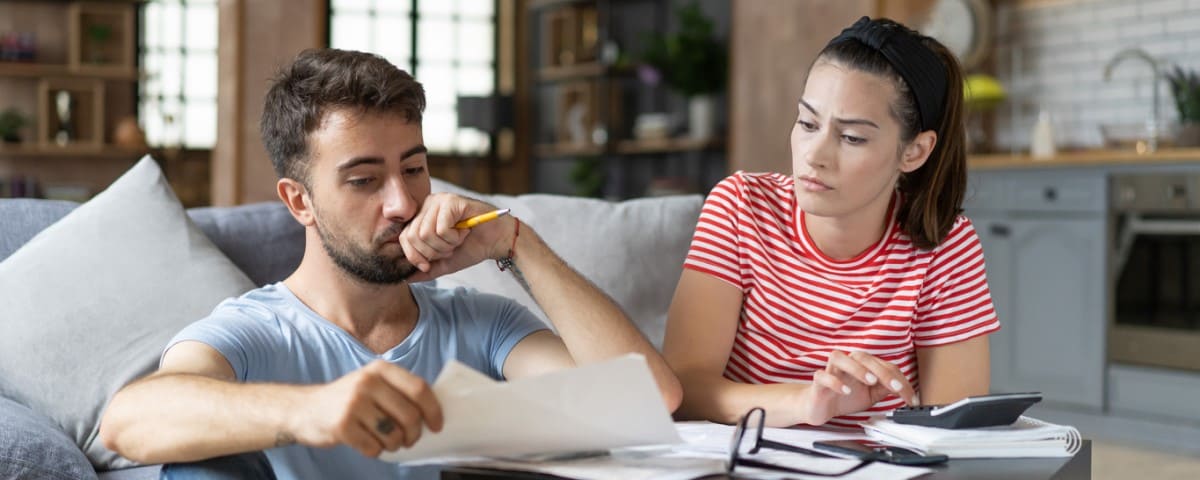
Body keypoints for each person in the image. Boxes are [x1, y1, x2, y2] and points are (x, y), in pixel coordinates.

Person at [99, 48, 681, 478]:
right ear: (299, 202)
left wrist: (516, 242)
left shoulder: (482, 324)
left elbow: (650, 399)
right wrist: (313, 410)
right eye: (364, 180)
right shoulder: (256, 331)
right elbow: (128, 422)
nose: (403, 203)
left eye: (413, 169)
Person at [663, 16, 999, 429]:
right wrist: (806, 403)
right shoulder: (741, 207)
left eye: (852, 137)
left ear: (914, 152)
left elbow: (954, 427)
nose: (815, 155)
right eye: (807, 123)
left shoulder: (946, 245)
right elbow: (685, 390)